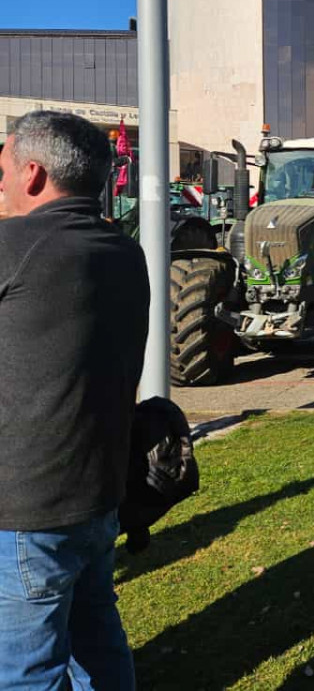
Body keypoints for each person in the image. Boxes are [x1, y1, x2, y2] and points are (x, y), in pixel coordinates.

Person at [0, 111, 150, 690]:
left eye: (4, 171)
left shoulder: (14, 245)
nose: (2, 186)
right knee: (97, 641)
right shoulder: (122, 250)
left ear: (33, 174)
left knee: (25, 672)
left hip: (26, 511)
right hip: (96, 495)